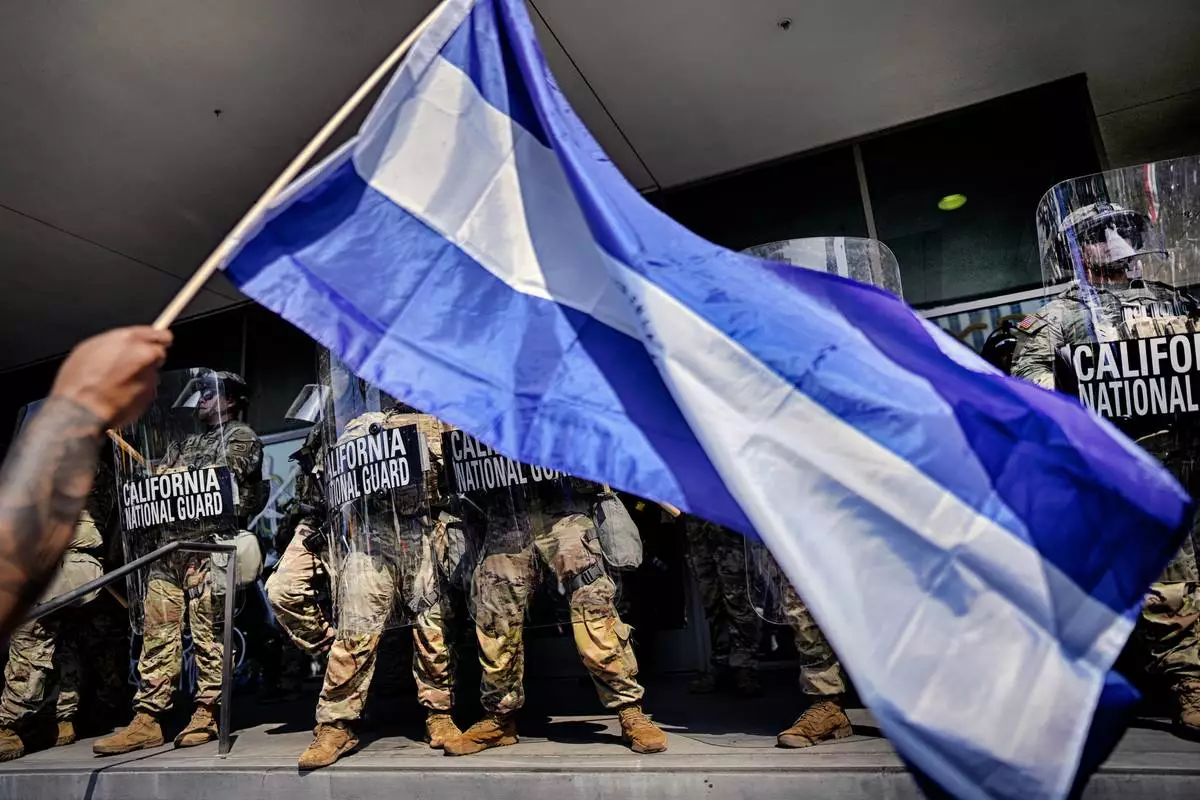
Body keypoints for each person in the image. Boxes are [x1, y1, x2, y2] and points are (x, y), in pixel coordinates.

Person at [1011, 200, 1200, 736]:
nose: (1115, 239)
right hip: (1127, 465)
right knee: (1171, 576)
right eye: (1098, 232)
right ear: (1073, 250)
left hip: (1189, 452)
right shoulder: (1056, 319)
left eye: (1123, 228)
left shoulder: (1173, 301)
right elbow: (1034, 392)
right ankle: (1190, 681)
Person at [95, 371, 263, 755]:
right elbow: (158, 486)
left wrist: (171, 475)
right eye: (200, 393)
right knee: (157, 634)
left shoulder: (241, 436)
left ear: (231, 401)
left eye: (210, 394)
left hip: (206, 547)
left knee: (208, 633)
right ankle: (148, 718)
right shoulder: (183, 444)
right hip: (168, 549)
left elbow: (227, 475)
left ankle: (208, 711)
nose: (202, 400)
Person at [446, 475, 668, 757]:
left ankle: (629, 709)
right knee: (496, 613)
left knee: (593, 604)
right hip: (505, 510)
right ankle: (499, 717)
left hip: (562, 506)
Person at [297, 402, 463, 769]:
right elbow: (338, 471)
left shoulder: (445, 422)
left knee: (432, 629)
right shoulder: (365, 423)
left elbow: (459, 475)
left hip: (424, 529)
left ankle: (439, 714)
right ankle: (335, 724)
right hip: (374, 535)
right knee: (356, 629)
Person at [0, 327, 171, 639]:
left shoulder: (102, 465)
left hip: (79, 571)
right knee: (45, 646)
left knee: (53, 641)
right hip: (56, 569)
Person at [0, 459, 114, 761]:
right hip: (68, 560)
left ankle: (9, 726)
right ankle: (61, 718)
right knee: (63, 640)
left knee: (30, 632)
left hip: (67, 561)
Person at [683, 516, 762, 696]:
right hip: (696, 528)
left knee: (739, 602)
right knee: (712, 603)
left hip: (726, 527)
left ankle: (744, 667)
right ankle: (721, 663)